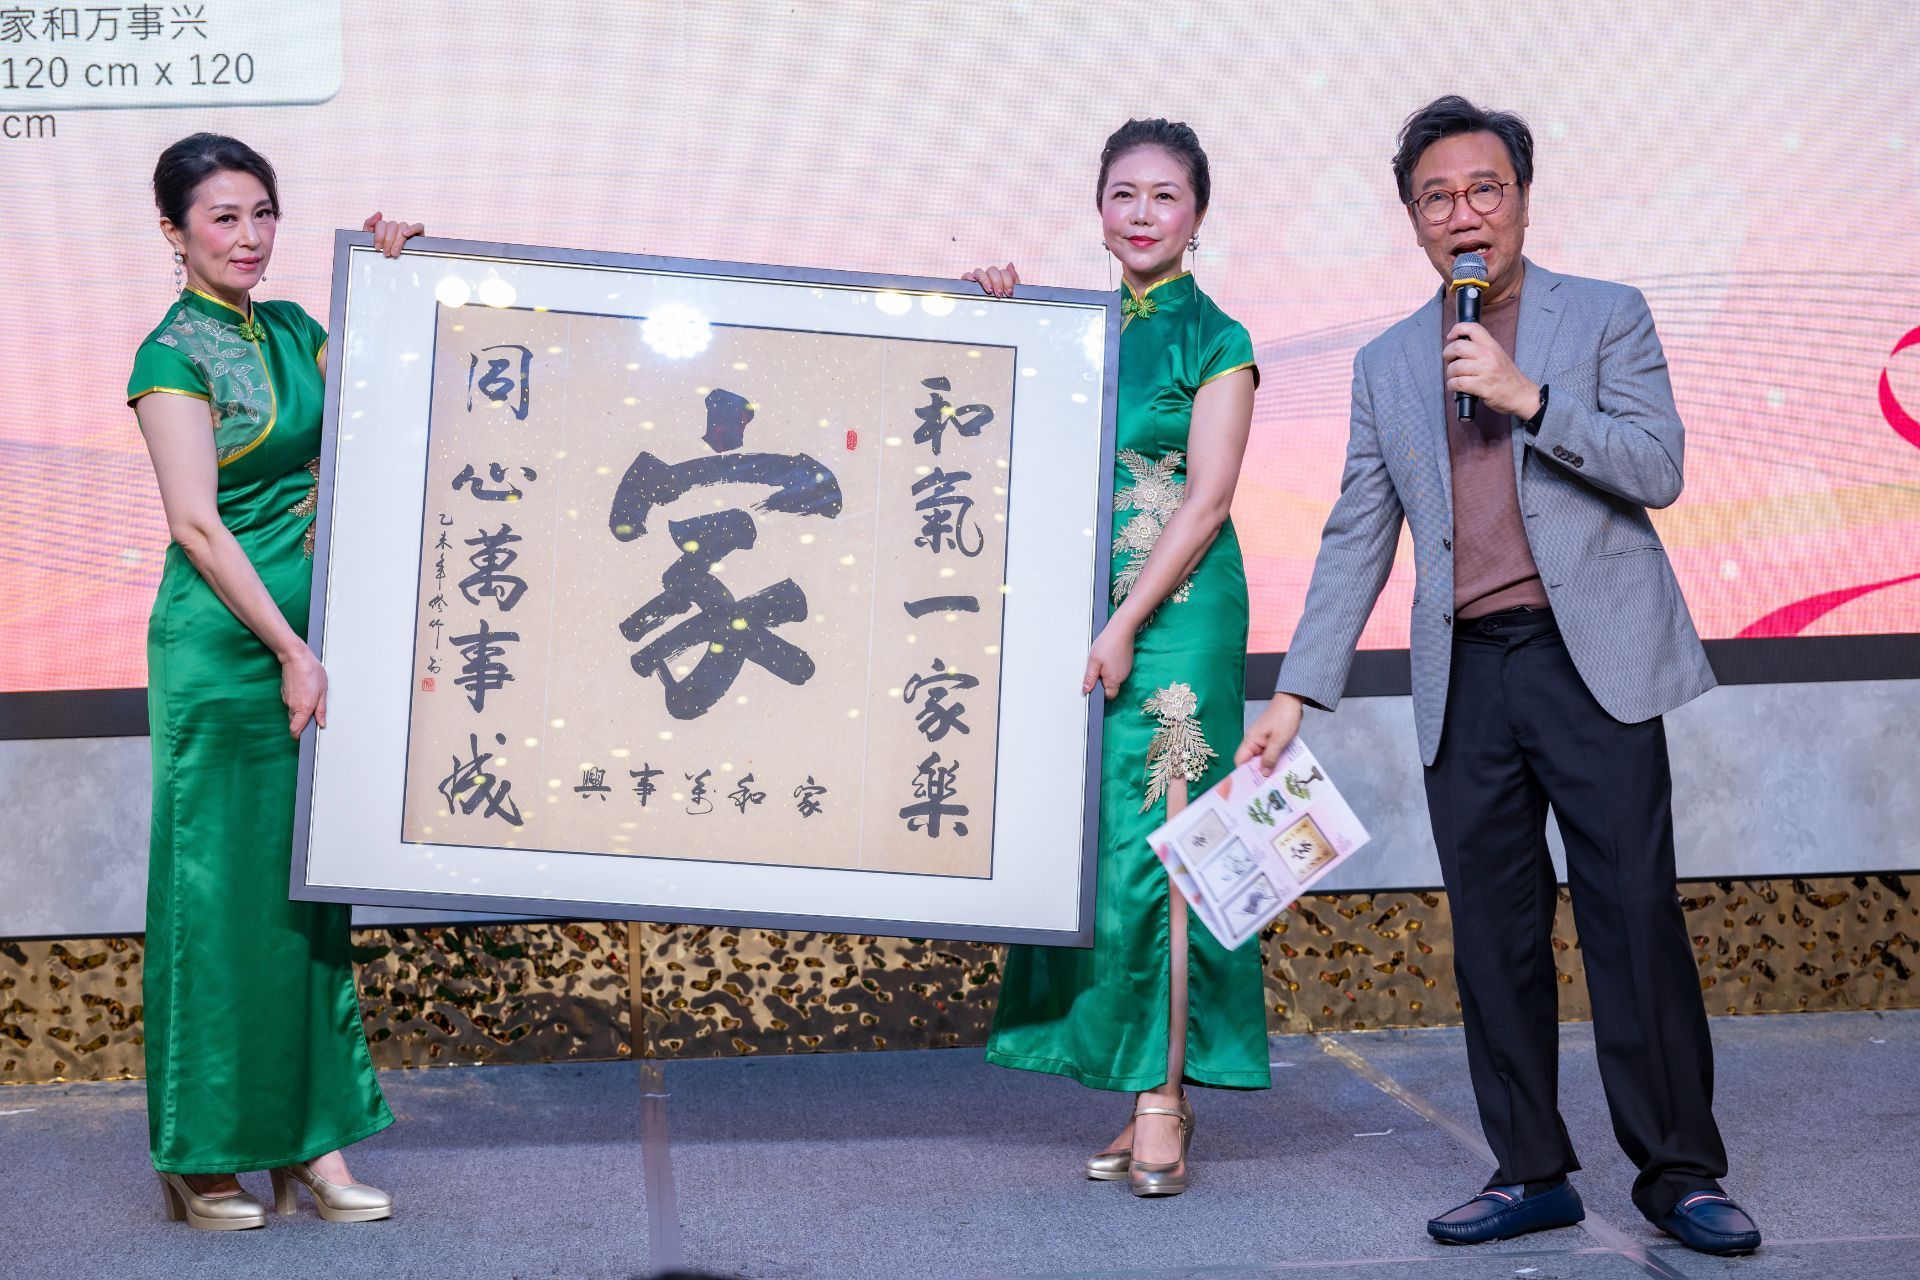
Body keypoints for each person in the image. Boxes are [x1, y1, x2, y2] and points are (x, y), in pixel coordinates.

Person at [1238, 96, 1760, 1256]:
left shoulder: (1605, 314)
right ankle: (1530, 1168)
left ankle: (1679, 1171)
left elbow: (1659, 464)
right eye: (1438, 197)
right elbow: (1357, 531)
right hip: (1466, 671)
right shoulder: (1387, 361)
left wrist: (1530, 398)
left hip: (1591, 661)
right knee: (1494, 933)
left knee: (1632, 917)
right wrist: (1295, 691)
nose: (1463, 213)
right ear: (1413, 220)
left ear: (1522, 199)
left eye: (1485, 189)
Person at [128, 132, 423, 1231]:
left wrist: (394, 275)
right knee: (216, 900)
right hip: (223, 655)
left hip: (313, 646)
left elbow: (393, 404)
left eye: (262, 214)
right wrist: (292, 651)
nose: (248, 237)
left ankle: (311, 1142)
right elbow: (197, 525)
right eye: (223, 218)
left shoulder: (297, 328)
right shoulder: (169, 355)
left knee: (305, 897)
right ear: (175, 232)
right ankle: (202, 1153)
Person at [967, 118, 1264, 1198]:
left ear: (1198, 215)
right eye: (1124, 195)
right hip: (1082, 612)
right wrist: (990, 315)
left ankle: (1162, 1100)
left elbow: (1209, 500)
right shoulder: (1068, 325)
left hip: (1176, 615)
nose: (1143, 215)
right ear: (1098, 210)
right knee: (1100, 852)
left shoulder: (1218, 337)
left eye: (1165, 196)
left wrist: (1128, 620)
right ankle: (1141, 1071)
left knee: (1167, 847)